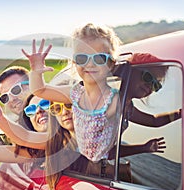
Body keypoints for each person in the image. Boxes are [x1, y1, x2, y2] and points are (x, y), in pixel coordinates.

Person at [22, 23, 121, 162]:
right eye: (82, 58)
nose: (90, 64)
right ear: (74, 63)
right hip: (83, 164)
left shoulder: (115, 98)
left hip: (105, 169)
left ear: (111, 63)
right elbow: (40, 90)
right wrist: (36, 71)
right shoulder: (75, 93)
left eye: (99, 58)